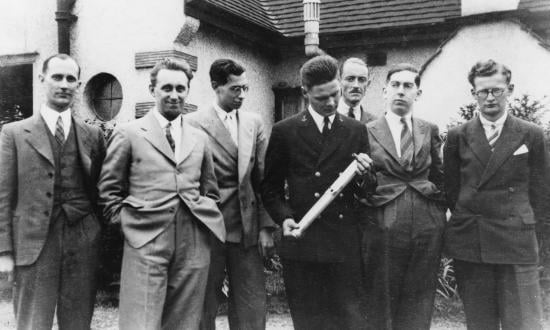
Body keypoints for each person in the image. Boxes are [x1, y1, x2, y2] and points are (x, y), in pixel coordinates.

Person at [98, 58, 226, 330]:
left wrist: (201, 226)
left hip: (192, 240)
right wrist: (130, 225)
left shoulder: (199, 138)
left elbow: (211, 190)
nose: (174, 95)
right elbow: (109, 192)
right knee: (140, 321)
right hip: (145, 238)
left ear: (188, 91)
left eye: (181, 88)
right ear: (152, 89)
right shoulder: (129, 133)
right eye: (166, 87)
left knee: (185, 321)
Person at [261, 55, 376, 330]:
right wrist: (284, 217)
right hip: (304, 243)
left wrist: (364, 175)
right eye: (322, 98)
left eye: (335, 94)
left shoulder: (356, 130)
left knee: (350, 322)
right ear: (304, 93)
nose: (332, 103)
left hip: (344, 245)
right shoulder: (284, 131)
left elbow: (368, 190)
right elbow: (270, 188)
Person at [0, 54, 106, 330]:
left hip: (82, 241)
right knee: (33, 322)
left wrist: (95, 234)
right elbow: (2, 197)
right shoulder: (13, 133)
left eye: (71, 79)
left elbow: (102, 191)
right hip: (35, 245)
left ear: (78, 84)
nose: (64, 84)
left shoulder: (92, 135)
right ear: (42, 79)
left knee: (78, 323)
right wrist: (4, 252)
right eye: (57, 77)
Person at [444, 59, 550, 330]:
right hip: (473, 240)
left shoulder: (531, 134)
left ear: (509, 89)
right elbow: (452, 190)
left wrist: (526, 225)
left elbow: (541, 190)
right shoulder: (458, 136)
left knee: (523, 323)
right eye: (483, 92)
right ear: (473, 94)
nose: (490, 98)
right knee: (480, 323)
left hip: (516, 239)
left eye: (497, 90)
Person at [186, 59, 275, 330]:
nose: (242, 95)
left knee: (252, 306)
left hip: (246, 229)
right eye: (235, 89)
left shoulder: (254, 123)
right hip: (207, 228)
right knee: (202, 306)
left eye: (245, 88)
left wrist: (266, 228)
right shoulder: (192, 123)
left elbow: (263, 179)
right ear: (216, 86)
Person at [362, 64, 446, 330]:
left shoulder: (428, 129)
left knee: (420, 294)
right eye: (395, 85)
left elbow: (440, 174)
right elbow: (360, 182)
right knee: (381, 293)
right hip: (383, 218)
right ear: (385, 91)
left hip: (426, 220)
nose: (401, 91)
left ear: (417, 93)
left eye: (408, 86)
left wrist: (438, 214)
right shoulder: (366, 129)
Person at [337, 57, 376, 124]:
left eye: (362, 80)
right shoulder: (326, 117)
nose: (356, 85)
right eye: (350, 79)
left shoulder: (374, 123)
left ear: (368, 84)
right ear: (339, 81)